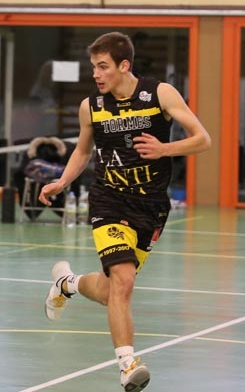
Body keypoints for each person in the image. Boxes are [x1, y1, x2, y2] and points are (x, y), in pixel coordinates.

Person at [38, 31, 210, 392]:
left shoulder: (159, 94)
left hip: (151, 207)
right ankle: (128, 364)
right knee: (124, 282)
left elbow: (202, 139)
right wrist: (62, 181)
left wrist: (165, 149)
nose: (96, 75)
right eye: (93, 68)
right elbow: (83, 152)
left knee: (110, 290)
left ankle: (66, 283)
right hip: (109, 200)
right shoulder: (92, 106)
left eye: (103, 67)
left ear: (124, 66)